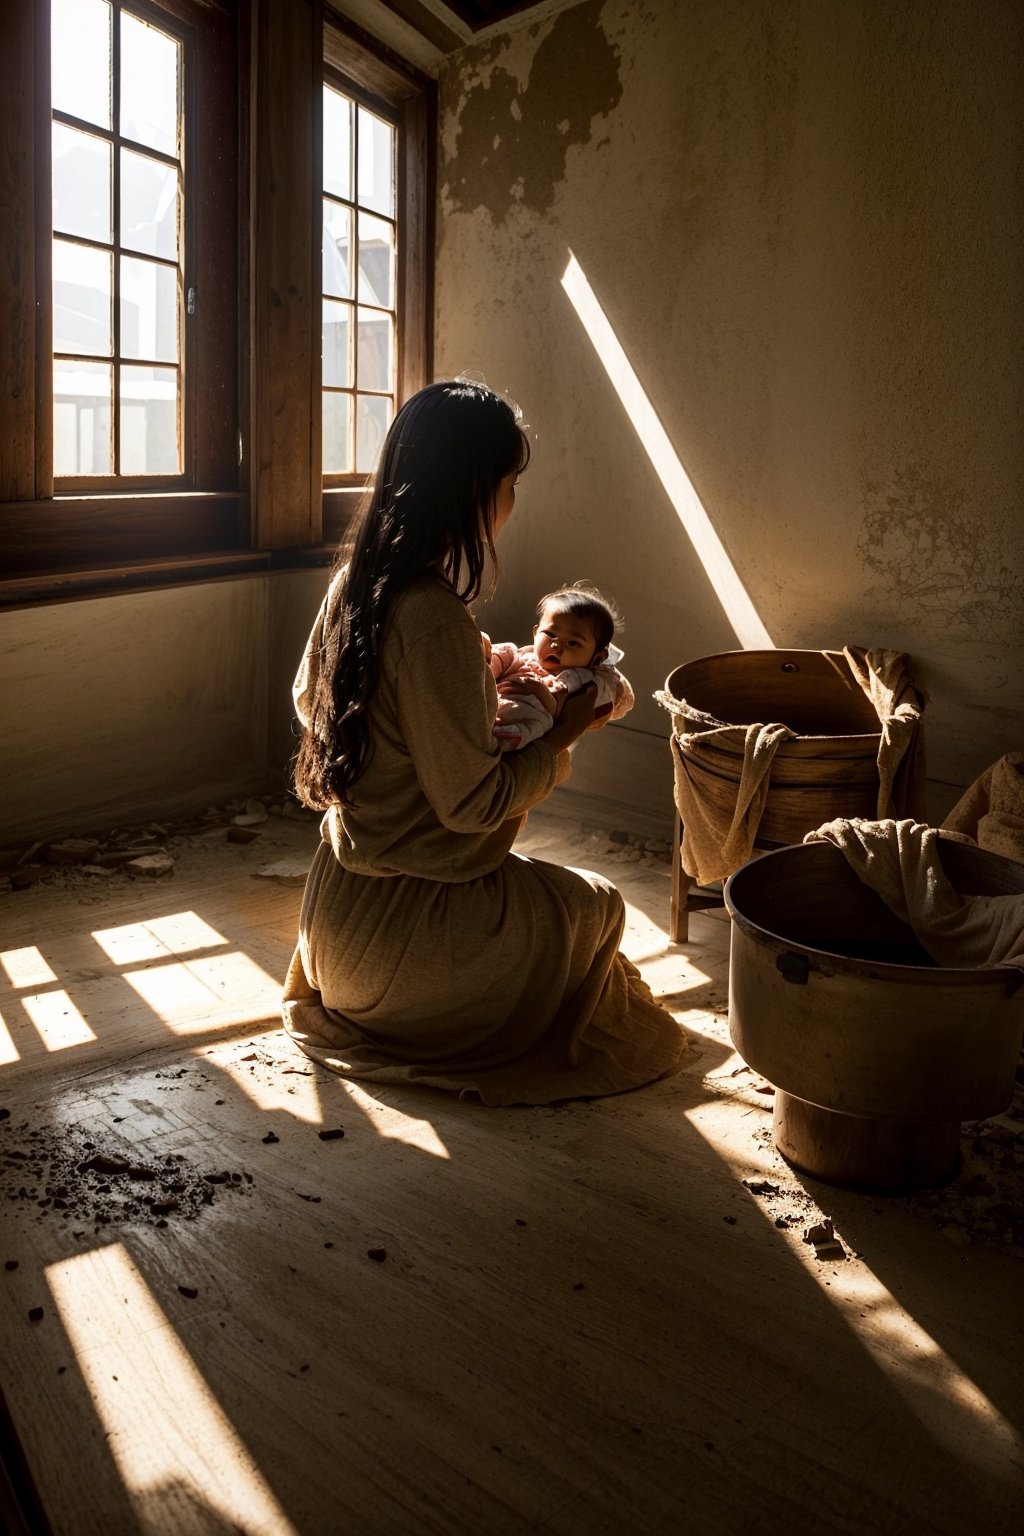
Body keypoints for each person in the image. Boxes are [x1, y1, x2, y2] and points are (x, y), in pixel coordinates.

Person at [282, 378, 686, 1106]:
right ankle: (446, 1009)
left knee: (560, 902)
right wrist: (560, 735)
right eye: (511, 481)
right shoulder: (432, 615)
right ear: (478, 489)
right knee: (599, 906)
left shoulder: (355, 582)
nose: (512, 499)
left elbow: (310, 700)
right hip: (403, 958)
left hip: (332, 927)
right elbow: (472, 809)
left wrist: (418, 728)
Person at [484, 583, 635, 750]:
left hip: (527, 719)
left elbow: (561, 717)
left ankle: (503, 740)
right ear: (535, 634)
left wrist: (540, 691)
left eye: (573, 643)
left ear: (597, 657)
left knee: (541, 724)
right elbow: (495, 667)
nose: (556, 645)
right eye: (550, 634)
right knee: (504, 652)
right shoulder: (525, 656)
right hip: (491, 706)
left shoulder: (580, 681)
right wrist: (489, 660)